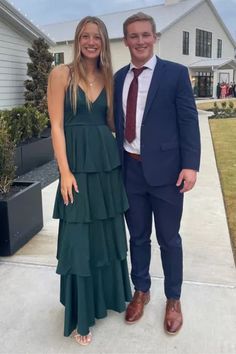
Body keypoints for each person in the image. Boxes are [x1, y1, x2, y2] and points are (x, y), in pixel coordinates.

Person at [114, 12, 201, 335]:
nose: (140, 41)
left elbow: (188, 121)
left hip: (167, 174)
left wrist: (190, 165)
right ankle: (141, 291)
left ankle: (174, 299)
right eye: (133, 36)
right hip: (130, 171)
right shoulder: (119, 77)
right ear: (126, 41)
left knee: (168, 239)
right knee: (137, 237)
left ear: (155, 37)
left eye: (145, 35)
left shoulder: (175, 74)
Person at [47, 16, 131, 346]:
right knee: (79, 237)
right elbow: (56, 126)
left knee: (105, 233)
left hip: (106, 166)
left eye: (97, 36)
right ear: (77, 39)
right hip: (77, 168)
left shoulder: (109, 78)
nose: (91, 41)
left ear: (104, 41)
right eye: (85, 36)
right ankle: (82, 314)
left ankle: (105, 298)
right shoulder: (60, 74)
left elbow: (112, 123)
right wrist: (64, 172)